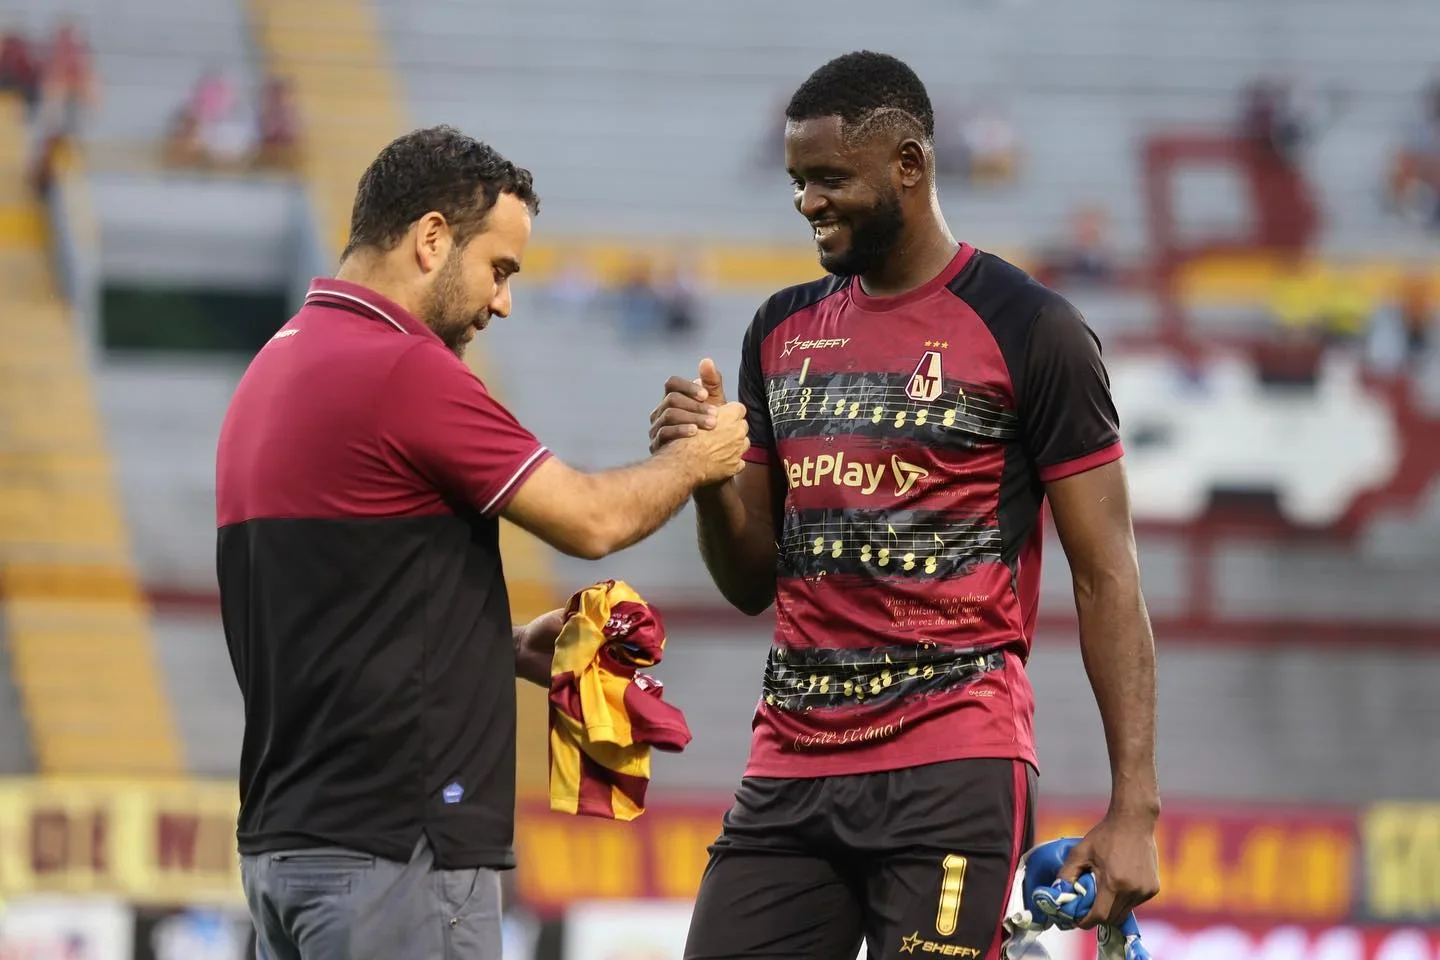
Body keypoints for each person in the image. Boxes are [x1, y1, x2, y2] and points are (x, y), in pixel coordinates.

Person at [648, 52, 1160, 960]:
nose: (808, 201)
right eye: (799, 181)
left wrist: (1134, 809)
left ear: (910, 167)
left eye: (830, 178)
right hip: (790, 764)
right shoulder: (779, 328)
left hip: (951, 761)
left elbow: (1107, 576)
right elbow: (748, 581)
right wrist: (705, 479)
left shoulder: (1030, 328)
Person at [215, 125, 748, 960]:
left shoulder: (274, 368)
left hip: (288, 850)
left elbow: (322, 611)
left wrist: (491, 647)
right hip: (401, 850)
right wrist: (701, 457)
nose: (503, 303)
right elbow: (592, 520)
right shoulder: (402, 369)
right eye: (499, 270)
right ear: (433, 239)